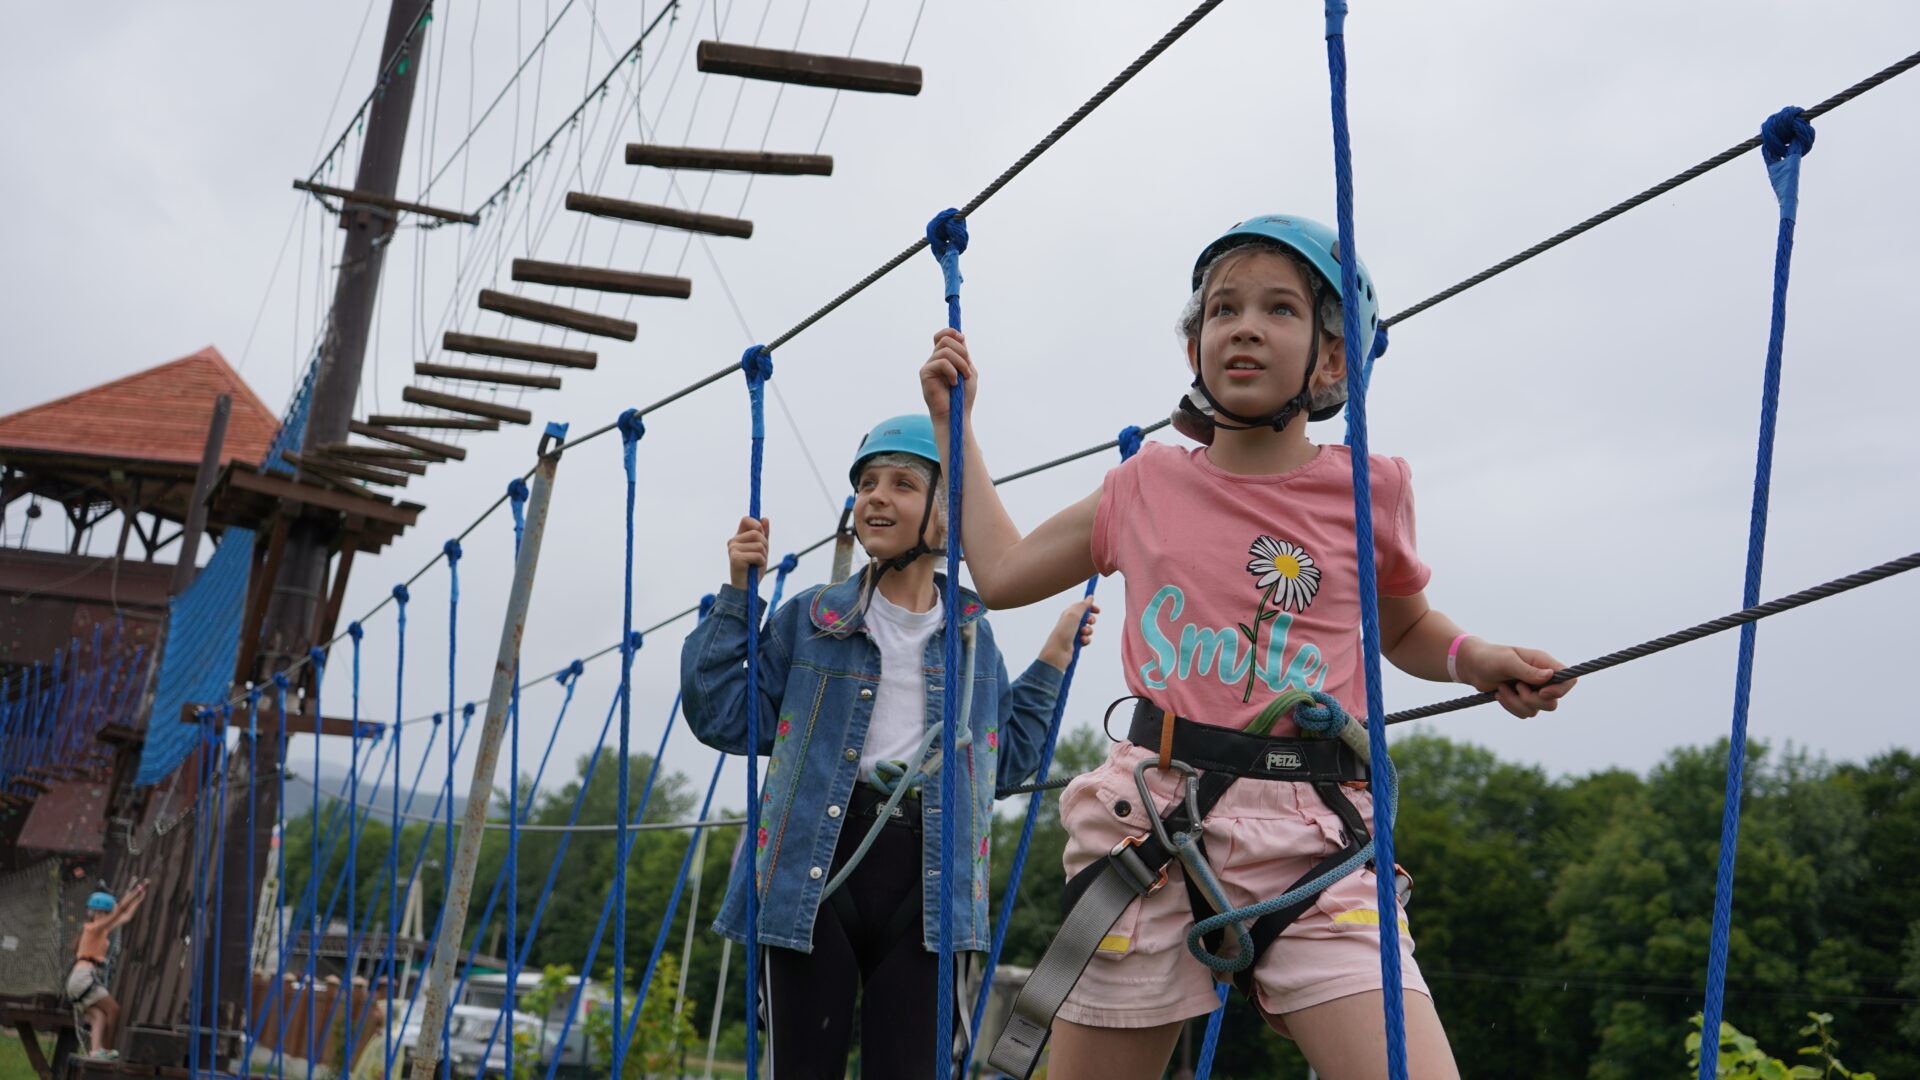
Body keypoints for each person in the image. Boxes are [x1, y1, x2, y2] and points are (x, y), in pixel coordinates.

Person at [918, 214, 1577, 1080]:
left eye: (1279, 309)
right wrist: (952, 426)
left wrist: (1476, 658)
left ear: (1333, 357)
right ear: (1195, 346)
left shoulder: (1368, 491)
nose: (1247, 326)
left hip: (1318, 842)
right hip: (1152, 824)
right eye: (1223, 309)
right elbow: (1000, 573)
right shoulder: (1143, 485)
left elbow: (1406, 626)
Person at [681, 413, 1098, 1080]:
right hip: (813, 878)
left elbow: (1008, 763)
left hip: (930, 888)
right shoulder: (813, 622)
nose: (876, 496)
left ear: (946, 519)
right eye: (867, 484)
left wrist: (1050, 660)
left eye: (903, 483)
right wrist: (738, 597)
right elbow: (724, 717)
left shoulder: (972, 644)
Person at [68, 879, 150, 1059]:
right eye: (106, 913)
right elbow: (119, 909)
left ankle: (96, 1051)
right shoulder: (94, 927)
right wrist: (135, 890)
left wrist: (138, 898)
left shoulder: (98, 929)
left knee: (99, 1016)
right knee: (114, 1010)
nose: (108, 916)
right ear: (98, 913)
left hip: (77, 980)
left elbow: (125, 916)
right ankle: (108, 1048)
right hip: (84, 977)